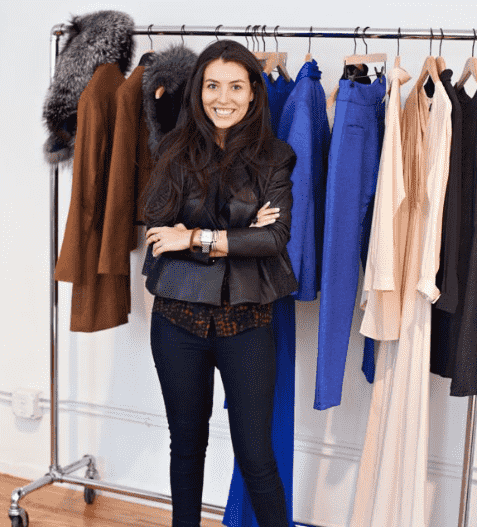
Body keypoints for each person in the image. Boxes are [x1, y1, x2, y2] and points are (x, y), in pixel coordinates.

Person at [141, 39, 298, 527]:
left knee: (256, 455)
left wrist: (193, 235)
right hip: (177, 318)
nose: (222, 98)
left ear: (253, 92)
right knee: (187, 445)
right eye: (212, 86)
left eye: (235, 86)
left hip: (246, 321)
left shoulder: (276, 157)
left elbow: (274, 239)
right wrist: (241, 231)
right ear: (198, 91)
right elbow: (157, 232)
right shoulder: (173, 149)